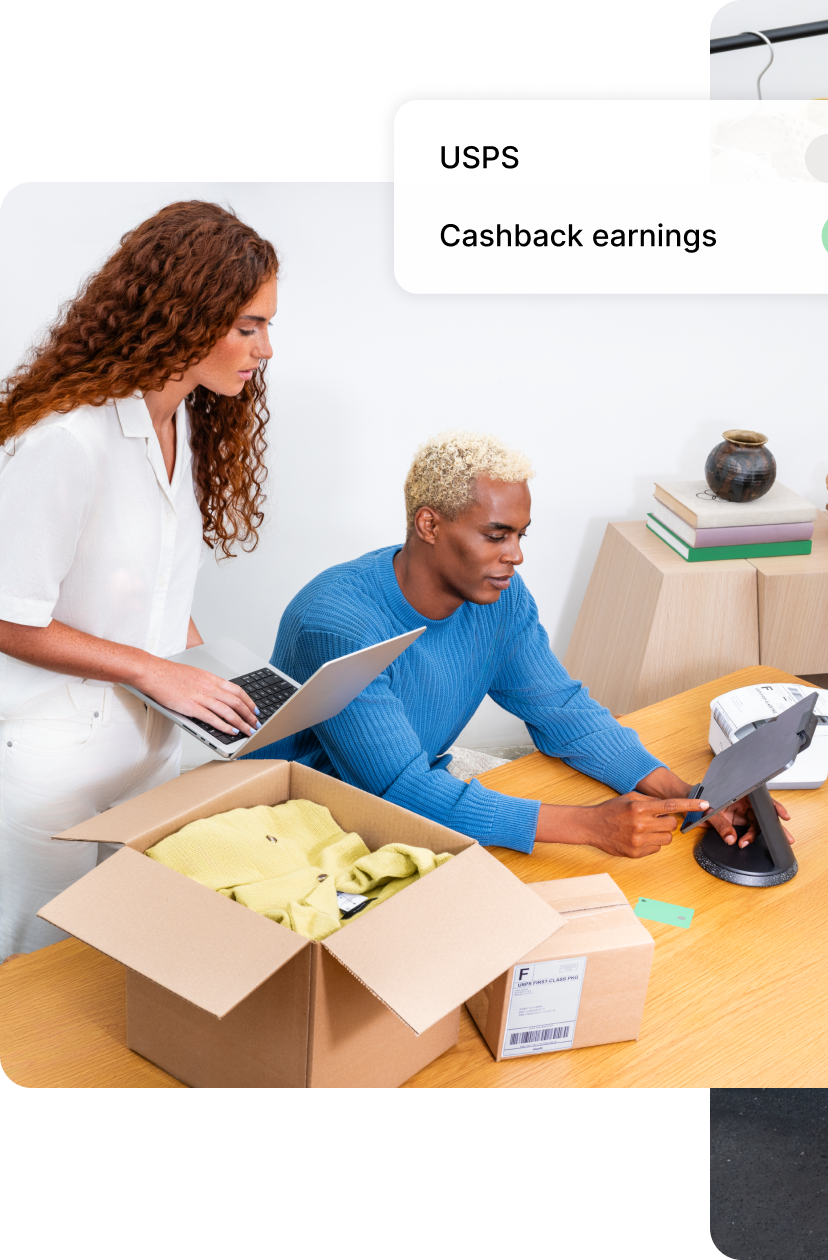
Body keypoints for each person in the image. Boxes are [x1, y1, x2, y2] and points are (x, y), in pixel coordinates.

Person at [249, 431, 780, 857]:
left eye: (521, 535)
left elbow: (560, 709)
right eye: (497, 535)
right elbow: (400, 791)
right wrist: (590, 827)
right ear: (429, 524)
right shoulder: (340, 623)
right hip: (296, 818)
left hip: (404, 789)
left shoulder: (497, 598)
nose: (516, 556)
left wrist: (686, 795)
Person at [0, 202, 280, 958]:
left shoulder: (181, 421)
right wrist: (157, 672)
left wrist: (219, 676)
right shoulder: (65, 440)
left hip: (149, 746)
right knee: (39, 975)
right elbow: (8, 616)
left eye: (267, 327)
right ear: (187, 315)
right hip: (55, 760)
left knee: (112, 957)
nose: (264, 348)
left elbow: (152, 593)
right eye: (248, 326)